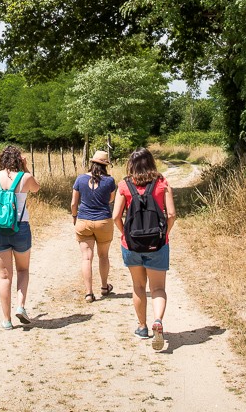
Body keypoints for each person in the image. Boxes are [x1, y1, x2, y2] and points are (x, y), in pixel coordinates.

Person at [112, 147, 177, 351]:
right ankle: (158, 320)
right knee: (158, 288)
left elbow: (115, 216)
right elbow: (172, 214)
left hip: (131, 244)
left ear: (131, 164)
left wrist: (125, 234)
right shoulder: (162, 183)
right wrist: (164, 233)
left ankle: (142, 327)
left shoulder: (124, 185)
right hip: (157, 243)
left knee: (138, 287)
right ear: (151, 163)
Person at [0, 145, 41, 329]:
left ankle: (6, 320)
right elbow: (36, 189)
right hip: (20, 228)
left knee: (4, 276)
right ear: (18, 160)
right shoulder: (25, 177)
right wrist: (26, 167)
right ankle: (20, 306)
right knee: (23, 270)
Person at [71, 149, 117, 302]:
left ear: (91, 163)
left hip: (83, 220)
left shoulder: (80, 179)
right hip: (103, 220)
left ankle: (89, 293)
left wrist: (74, 217)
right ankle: (104, 287)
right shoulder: (110, 181)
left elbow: (73, 203)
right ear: (105, 165)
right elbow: (111, 200)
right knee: (103, 256)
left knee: (86, 258)